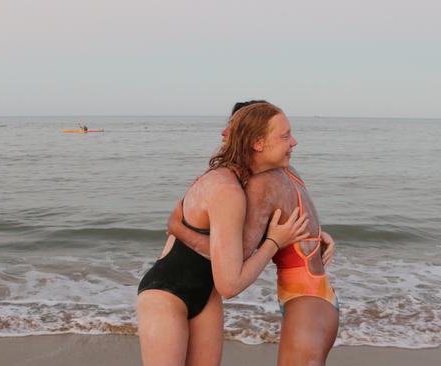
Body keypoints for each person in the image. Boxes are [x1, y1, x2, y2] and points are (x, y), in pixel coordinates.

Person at [137, 102, 310, 366]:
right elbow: (230, 285)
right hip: (166, 293)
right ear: (258, 143)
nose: (294, 142)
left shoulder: (252, 181)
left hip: (207, 296)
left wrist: (319, 238)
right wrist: (274, 242)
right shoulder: (227, 189)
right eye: (285, 136)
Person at [168, 100, 339, 366]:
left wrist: (180, 229)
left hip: (305, 300)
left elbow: (238, 262)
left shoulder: (263, 182)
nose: (224, 134)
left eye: (230, 128)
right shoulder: (288, 171)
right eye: (285, 136)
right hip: (316, 296)